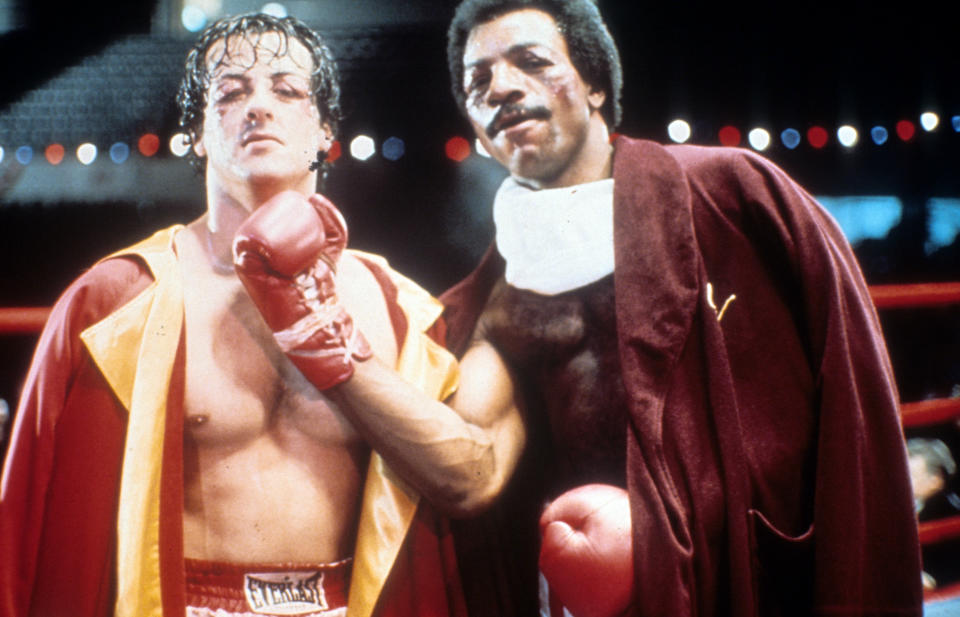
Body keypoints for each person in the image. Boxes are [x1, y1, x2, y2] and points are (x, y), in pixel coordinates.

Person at [0, 13, 523, 617]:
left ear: (323, 127)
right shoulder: (113, 304)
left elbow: (467, 483)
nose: (258, 106)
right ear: (197, 132)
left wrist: (328, 338)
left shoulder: (399, 307)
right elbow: (31, 533)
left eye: (287, 89)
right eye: (230, 92)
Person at [439, 1, 923, 615]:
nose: (501, 87)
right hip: (598, 589)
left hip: (756, 578)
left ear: (594, 84)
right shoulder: (486, 301)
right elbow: (469, 464)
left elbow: (854, 393)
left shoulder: (736, 194)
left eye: (531, 62)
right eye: (476, 79)